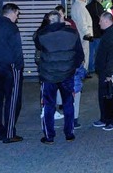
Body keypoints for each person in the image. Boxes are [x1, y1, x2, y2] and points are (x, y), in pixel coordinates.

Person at [34, 9, 84, 144]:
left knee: (48, 105)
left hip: (48, 76)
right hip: (67, 74)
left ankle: (49, 136)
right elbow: (80, 55)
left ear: (48, 21)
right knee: (68, 103)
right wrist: (73, 67)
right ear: (61, 20)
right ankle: (69, 133)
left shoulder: (42, 34)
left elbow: (38, 47)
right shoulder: (72, 33)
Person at [0, 2, 24, 143]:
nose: (17, 18)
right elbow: (17, 50)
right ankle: (9, 133)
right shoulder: (12, 27)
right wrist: (19, 67)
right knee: (12, 100)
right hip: (10, 67)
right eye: (17, 14)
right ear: (12, 12)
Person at [93, 11, 113, 131]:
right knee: (104, 96)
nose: (99, 23)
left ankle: (112, 121)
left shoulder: (112, 35)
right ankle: (104, 118)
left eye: (100, 21)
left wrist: (109, 73)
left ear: (106, 21)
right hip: (105, 70)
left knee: (109, 96)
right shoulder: (110, 32)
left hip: (108, 71)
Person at [71, 0, 93, 73]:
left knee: (83, 52)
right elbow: (82, 22)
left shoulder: (78, 6)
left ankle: (83, 70)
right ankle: (83, 71)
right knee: (84, 53)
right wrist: (87, 33)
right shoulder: (80, 7)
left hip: (81, 33)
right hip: (83, 34)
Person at [86, 0, 105, 76]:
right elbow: (101, 20)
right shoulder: (99, 7)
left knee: (90, 52)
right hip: (97, 32)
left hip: (90, 32)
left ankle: (90, 67)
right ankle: (95, 67)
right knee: (97, 52)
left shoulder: (87, 6)